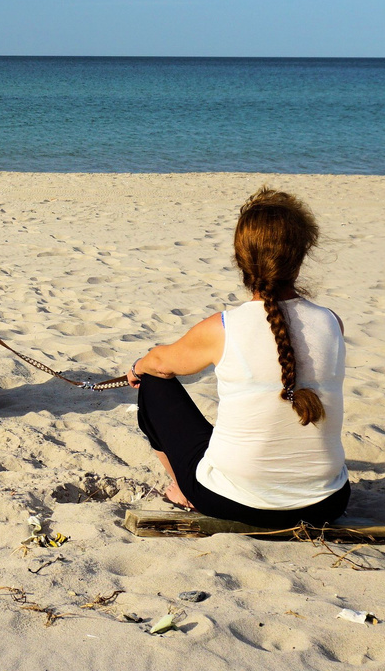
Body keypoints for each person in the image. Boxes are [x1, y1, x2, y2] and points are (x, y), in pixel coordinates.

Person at [125, 187, 349, 526]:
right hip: (328, 503)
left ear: (240, 259)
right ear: (301, 257)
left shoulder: (223, 327)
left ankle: (184, 492)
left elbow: (160, 362)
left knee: (154, 384)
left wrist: (137, 367)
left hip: (233, 503)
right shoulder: (332, 322)